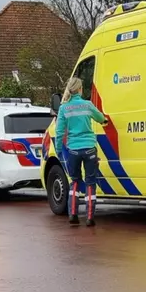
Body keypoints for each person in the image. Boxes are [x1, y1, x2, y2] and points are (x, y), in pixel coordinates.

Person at [55, 77, 108, 227]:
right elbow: (100, 118)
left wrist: (59, 150)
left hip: (73, 150)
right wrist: (105, 120)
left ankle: (73, 214)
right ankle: (90, 217)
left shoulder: (64, 108)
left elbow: (59, 132)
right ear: (79, 89)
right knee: (90, 182)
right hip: (90, 148)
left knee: (75, 181)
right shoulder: (87, 105)